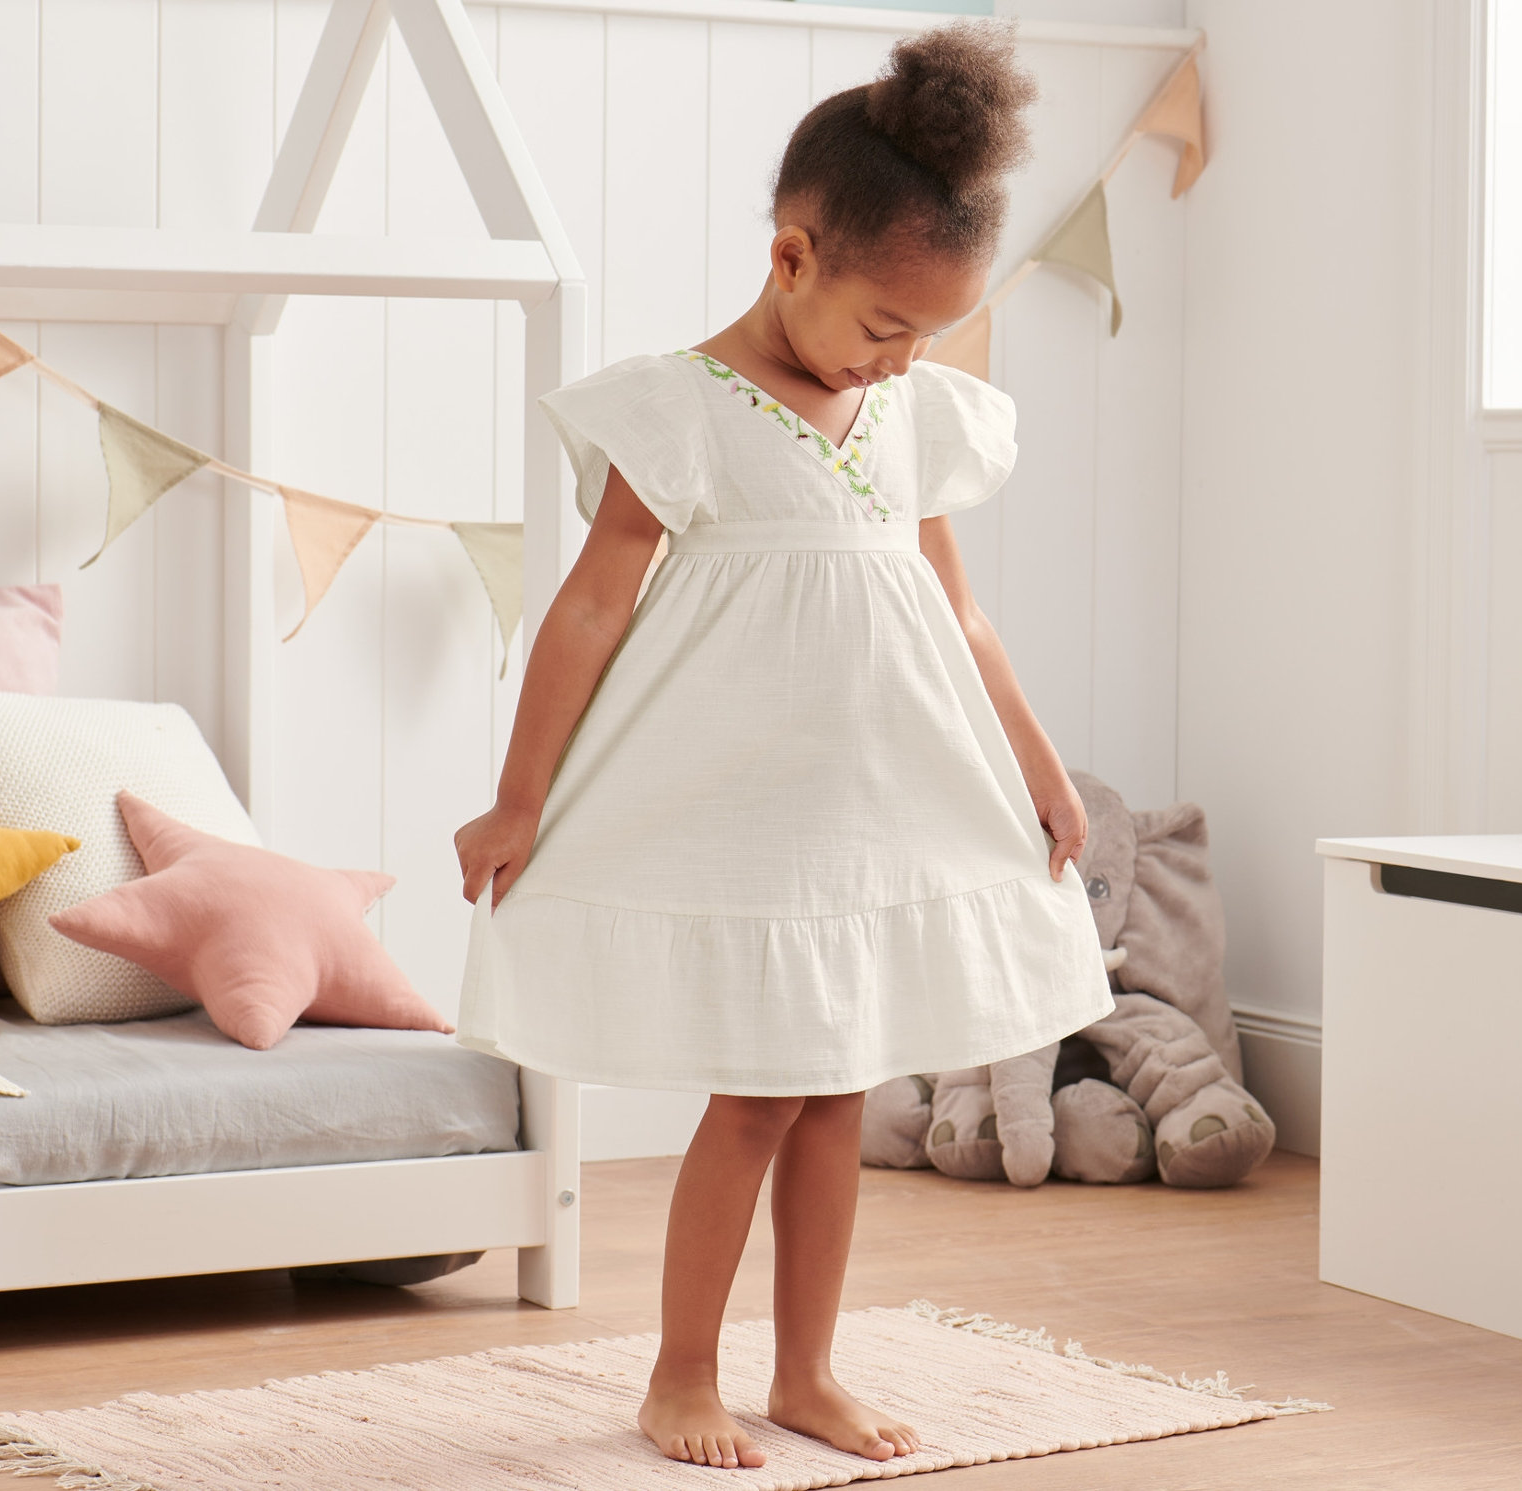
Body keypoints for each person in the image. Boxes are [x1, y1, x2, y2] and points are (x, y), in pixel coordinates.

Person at [453, 17, 1115, 1472]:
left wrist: (1042, 770)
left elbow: (960, 613)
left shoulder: (908, 419)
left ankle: (805, 1368)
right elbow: (587, 611)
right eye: (884, 328)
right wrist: (517, 802)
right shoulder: (675, 411)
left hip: (875, 808)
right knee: (755, 1092)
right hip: (735, 808)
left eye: (928, 338)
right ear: (791, 256)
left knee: (834, 1089)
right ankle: (679, 1372)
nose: (899, 362)